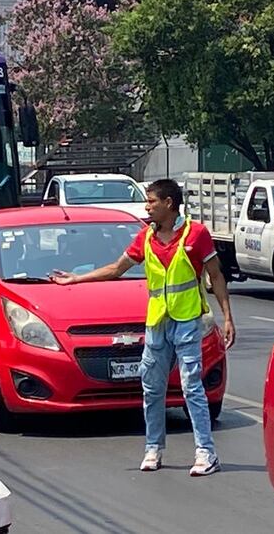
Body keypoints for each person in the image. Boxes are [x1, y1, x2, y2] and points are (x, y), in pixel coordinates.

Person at [50, 179, 237, 477]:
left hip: (188, 321)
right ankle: (153, 447)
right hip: (156, 323)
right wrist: (75, 279)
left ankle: (206, 452)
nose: (147, 206)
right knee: (151, 388)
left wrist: (227, 317)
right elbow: (116, 269)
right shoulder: (145, 239)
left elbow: (216, 277)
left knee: (191, 388)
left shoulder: (196, 234)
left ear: (169, 204)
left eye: (151, 200)